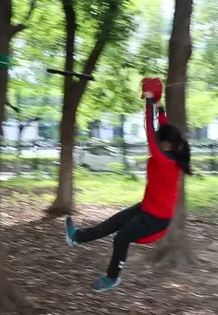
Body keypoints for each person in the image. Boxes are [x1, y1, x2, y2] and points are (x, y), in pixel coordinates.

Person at [65, 80, 192, 292]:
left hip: (156, 218)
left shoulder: (165, 160)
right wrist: (159, 106)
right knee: (112, 223)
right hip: (148, 207)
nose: (155, 142)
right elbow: (162, 129)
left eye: (160, 141)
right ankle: (76, 237)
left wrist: (149, 101)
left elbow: (150, 131)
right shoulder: (168, 151)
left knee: (121, 238)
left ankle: (112, 277)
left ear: (167, 145)